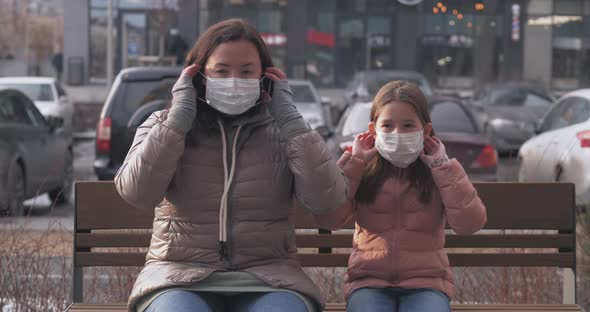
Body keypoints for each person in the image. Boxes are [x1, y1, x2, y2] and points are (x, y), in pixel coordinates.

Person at [114, 18, 348, 312]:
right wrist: (177, 123)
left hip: (270, 276)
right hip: (178, 274)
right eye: (221, 71)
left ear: (265, 77)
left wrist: (291, 123)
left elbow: (325, 200)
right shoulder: (164, 126)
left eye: (247, 71)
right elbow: (138, 194)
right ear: (199, 76)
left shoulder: (286, 133)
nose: (234, 80)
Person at [314, 81, 487, 312]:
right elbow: (328, 219)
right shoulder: (361, 169)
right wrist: (354, 164)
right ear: (374, 130)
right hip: (368, 282)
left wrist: (442, 167)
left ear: (425, 130)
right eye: (388, 125)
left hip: (427, 283)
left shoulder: (437, 171)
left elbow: (470, 223)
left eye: (408, 125)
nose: (397, 133)